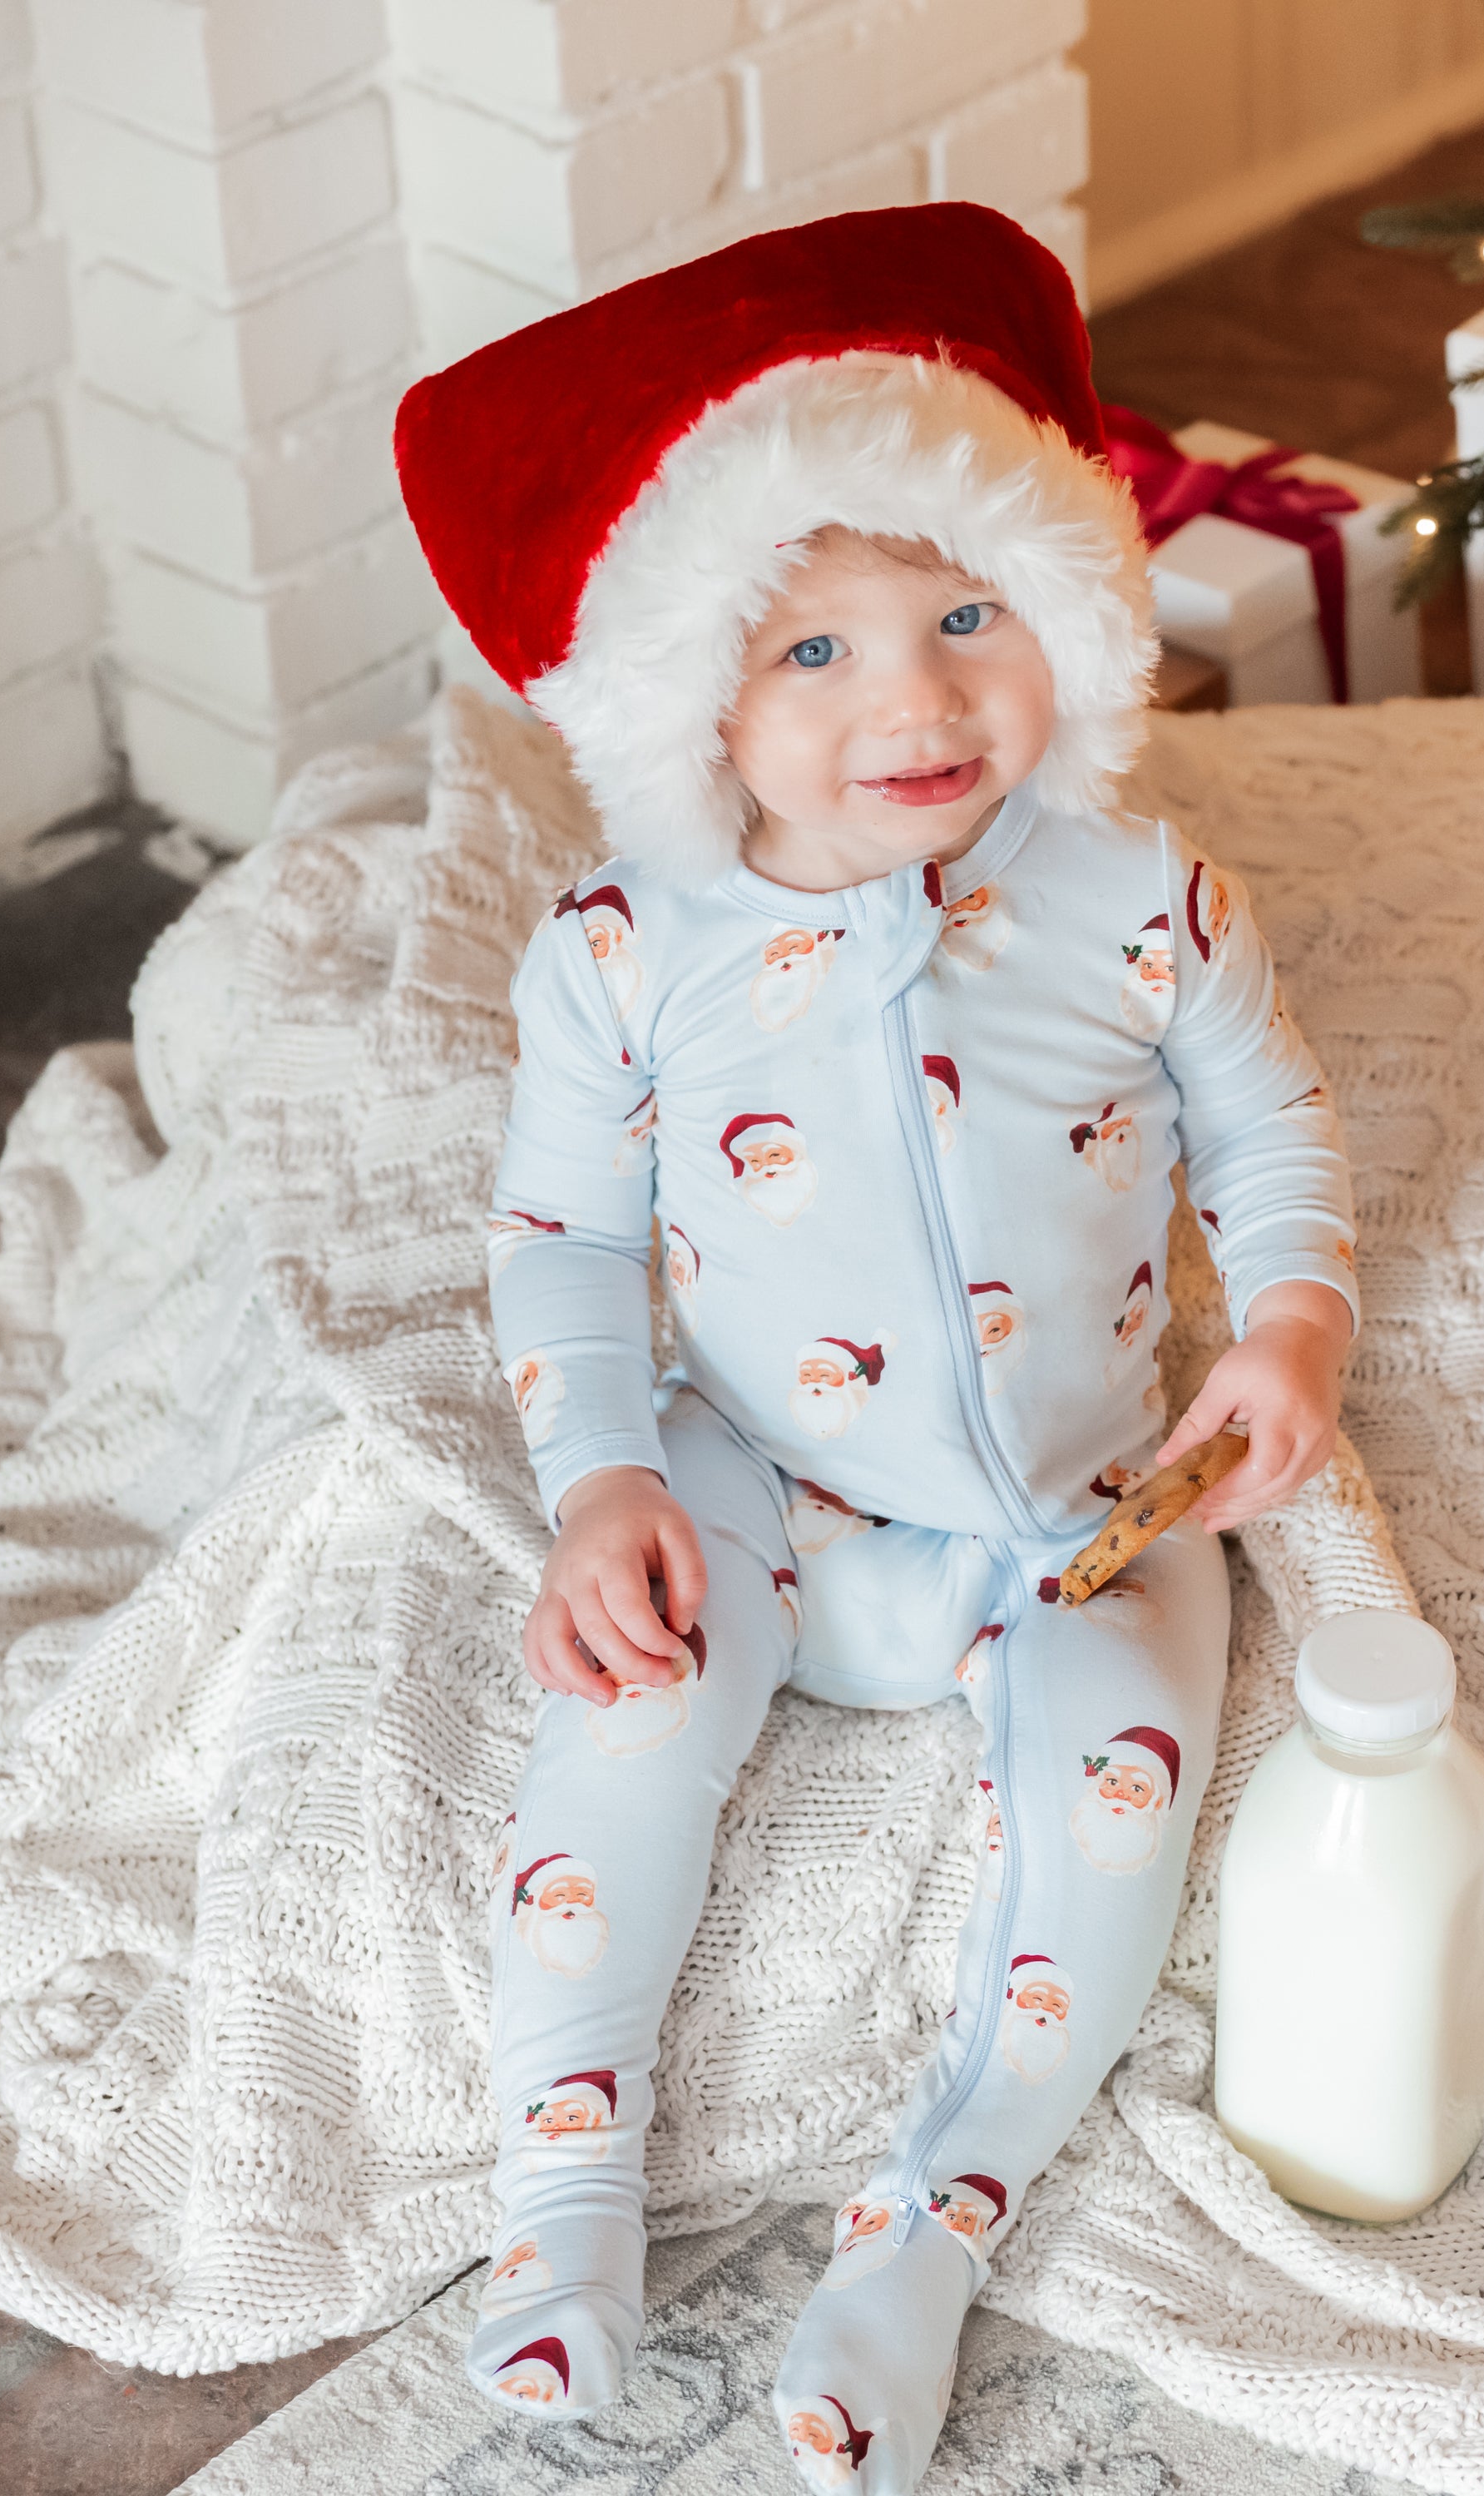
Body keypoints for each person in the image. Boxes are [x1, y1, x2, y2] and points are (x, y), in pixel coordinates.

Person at [396, 201, 1359, 2491]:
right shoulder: (626, 951)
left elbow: (1275, 1129)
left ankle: (926, 2239)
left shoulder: (1143, 897)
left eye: (964, 611)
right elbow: (555, 1239)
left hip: (1079, 1509)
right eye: (809, 653)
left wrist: (1295, 1329)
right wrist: (607, 1482)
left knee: (1117, 1833)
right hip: (758, 1485)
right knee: (608, 1749)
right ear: (689, 695)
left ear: (1069, 604)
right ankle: (560, 2200)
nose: (916, 702)